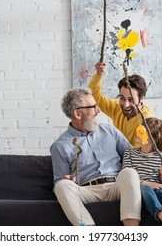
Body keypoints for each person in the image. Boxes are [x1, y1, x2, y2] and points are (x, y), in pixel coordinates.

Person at [50, 88, 142, 226]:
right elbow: (60, 183)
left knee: (129, 172)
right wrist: (67, 180)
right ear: (77, 113)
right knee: (61, 186)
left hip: (115, 186)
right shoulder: (60, 146)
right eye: (93, 107)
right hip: (86, 190)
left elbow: (134, 157)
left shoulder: (110, 130)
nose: (98, 110)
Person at [122, 117, 162, 226]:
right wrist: (144, 183)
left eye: (143, 130)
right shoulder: (129, 154)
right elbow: (125, 177)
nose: (138, 131)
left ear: (153, 138)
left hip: (161, 188)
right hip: (141, 189)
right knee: (145, 189)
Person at [88, 62, 154, 147]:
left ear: (141, 99)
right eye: (122, 98)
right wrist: (98, 74)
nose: (126, 105)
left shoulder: (147, 122)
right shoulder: (117, 108)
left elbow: (139, 154)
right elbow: (94, 96)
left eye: (131, 100)